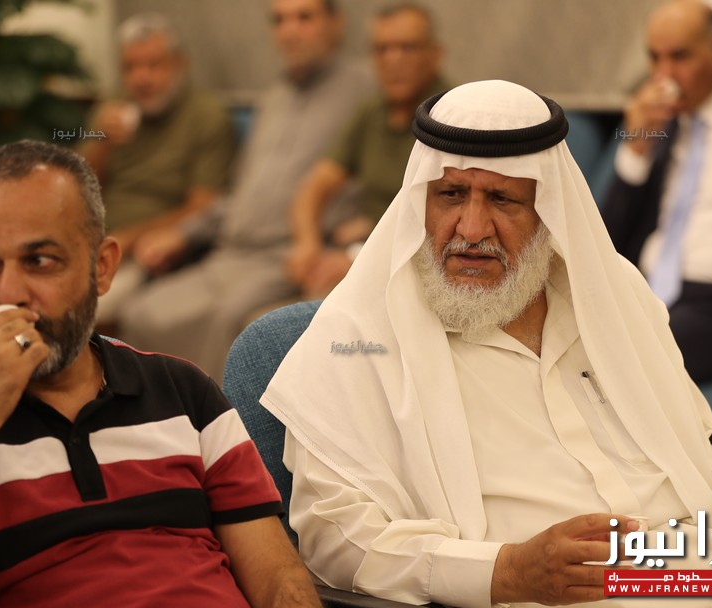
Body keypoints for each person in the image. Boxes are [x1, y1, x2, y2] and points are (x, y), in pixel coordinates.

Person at [260, 80, 712, 608]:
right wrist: (506, 570)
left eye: (502, 200)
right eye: (451, 195)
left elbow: (699, 457)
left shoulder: (612, 298)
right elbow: (337, 537)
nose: (471, 229)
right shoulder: (359, 336)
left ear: (548, 210)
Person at [0, 140, 334, 608]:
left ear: (102, 268)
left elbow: (279, 583)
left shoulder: (183, 392)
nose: (9, 294)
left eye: (39, 261)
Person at [117, 0, 373, 381]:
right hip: (228, 252)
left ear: (336, 24)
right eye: (280, 20)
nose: (290, 31)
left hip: (285, 256)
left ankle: (216, 417)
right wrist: (184, 234)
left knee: (229, 320)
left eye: (304, 18)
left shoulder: (366, 89)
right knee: (141, 313)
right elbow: (237, 196)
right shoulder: (274, 97)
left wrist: (356, 239)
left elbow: (387, 179)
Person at [601, 0, 712, 385]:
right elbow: (607, 237)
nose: (664, 75)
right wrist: (635, 146)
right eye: (654, 58)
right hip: (646, 291)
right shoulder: (657, 123)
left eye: (679, 57)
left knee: (639, 358)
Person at [78, 12, 237, 322]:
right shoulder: (112, 108)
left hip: (146, 252)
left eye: (153, 65)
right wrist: (102, 142)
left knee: (80, 311)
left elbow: (203, 207)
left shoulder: (207, 116)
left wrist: (129, 238)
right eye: (130, 67)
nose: (141, 78)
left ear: (180, 65)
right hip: (91, 240)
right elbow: (77, 189)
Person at [286, 2, 446, 298]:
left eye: (407, 48)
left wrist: (355, 257)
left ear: (435, 55)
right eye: (382, 49)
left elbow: (441, 227)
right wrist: (307, 243)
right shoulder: (372, 112)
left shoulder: (450, 119)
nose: (393, 60)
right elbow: (315, 187)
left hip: (423, 271)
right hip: (367, 253)